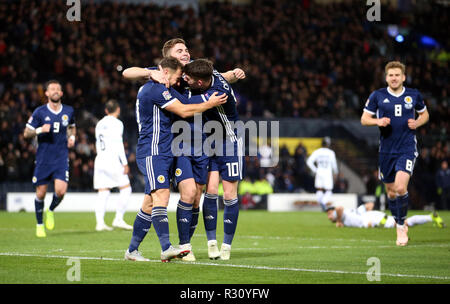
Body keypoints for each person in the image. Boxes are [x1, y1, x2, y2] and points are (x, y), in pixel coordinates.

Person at [123, 38, 246, 261]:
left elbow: (217, 77)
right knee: (174, 194)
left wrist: (233, 73)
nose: (186, 52)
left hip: (195, 143)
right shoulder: (160, 75)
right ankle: (176, 247)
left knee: (190, 196)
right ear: (167, 58)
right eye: (180, 50)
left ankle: (143, 250)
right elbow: (127, 73)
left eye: (187, 49)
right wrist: (149, 72)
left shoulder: (192, 71)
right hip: (170, 145)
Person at [361, 61, 429, 246]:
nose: (394, 78)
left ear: (403, 77)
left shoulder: (413, 95)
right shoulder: (378, 95)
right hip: (386, 151)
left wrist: (417, 123)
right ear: (386, 77)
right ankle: (400, 219)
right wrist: (378, 121)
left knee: (400, 188)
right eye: (391, 75)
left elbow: (425, 114)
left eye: (397, 75)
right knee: (390, 192)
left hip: (406, 148)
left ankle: (400, 227)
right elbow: (364, 119)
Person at [183, 58, 244, 260]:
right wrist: (235, 72)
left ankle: (226, 246)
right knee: (209, 191)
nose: (185, 80)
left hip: (229, 142)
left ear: (200, 83)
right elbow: (226, 75)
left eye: (188, 79)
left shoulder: (217, 93)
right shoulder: (211, 74)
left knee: (228, 194)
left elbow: (188, 104)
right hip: (209, 141)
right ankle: (211, 244)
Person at [24, 80, 76, 237]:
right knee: (40, 193)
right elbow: (26, 133)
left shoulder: (69, 110)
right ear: (46, 93)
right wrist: (39, 130)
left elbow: (72, 126)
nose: (55, 91)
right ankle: (39, 225)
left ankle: (50, 210)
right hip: (43, 158)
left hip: (61, 157)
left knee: (61, 191)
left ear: (61, 93)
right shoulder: (39, 112)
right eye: (52, 89)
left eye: (58, 89)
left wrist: (72, 136)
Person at [93, 100, 133, 231]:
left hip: (100, 159)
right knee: (126, 188)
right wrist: (125, 163)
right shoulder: (117, 123)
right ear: (118, 110)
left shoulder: (99, 123)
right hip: (112, 160)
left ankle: (100, 223)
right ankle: (118, 219)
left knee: (103, 191)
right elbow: (118, 144)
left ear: (106, 110)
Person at [326, 203, 445, 229]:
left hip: (372, 219)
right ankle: (430, 217)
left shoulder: (341, 214)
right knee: (403, 223)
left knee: (403, 224)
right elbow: (369, 205)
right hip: (373, 216)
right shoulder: (354, 211)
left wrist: (339, 220)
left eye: (329, 214)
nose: (328, 217)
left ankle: (430, 217)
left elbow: (339, 208)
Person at [306, 137, 339, 211]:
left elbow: (309, 162)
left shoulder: (317, 151)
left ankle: (321, 204)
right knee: (329, 190)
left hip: (319, 172)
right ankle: (323, 202)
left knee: (319, 189)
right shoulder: (331, 153)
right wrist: (336, 173)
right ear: (328, 144)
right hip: (327, 173)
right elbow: (334, 165)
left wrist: (315, 170)